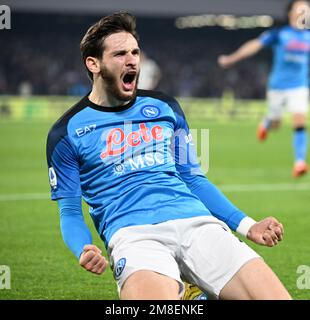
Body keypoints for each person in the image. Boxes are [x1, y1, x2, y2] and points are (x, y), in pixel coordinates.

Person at [46, 12, 291, 300]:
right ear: (94, 63)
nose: (132, 60)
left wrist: (249, 226)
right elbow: (71, 211)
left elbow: (193, 179)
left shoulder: (165, 107)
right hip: (133, 234)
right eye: (120, 53)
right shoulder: (66, 132)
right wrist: (83, 247)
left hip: (197, 223)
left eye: (135, 52)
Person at [218, 0, 310, 178]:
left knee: (299, 119)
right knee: (276, 123)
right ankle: (267, 122)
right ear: (290, 13)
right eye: (301, 9)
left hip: (299, 86)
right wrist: (232, 58)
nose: (304, 13)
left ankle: (299, 162)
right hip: (277, 86)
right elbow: (255, 45)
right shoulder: (279, 34)